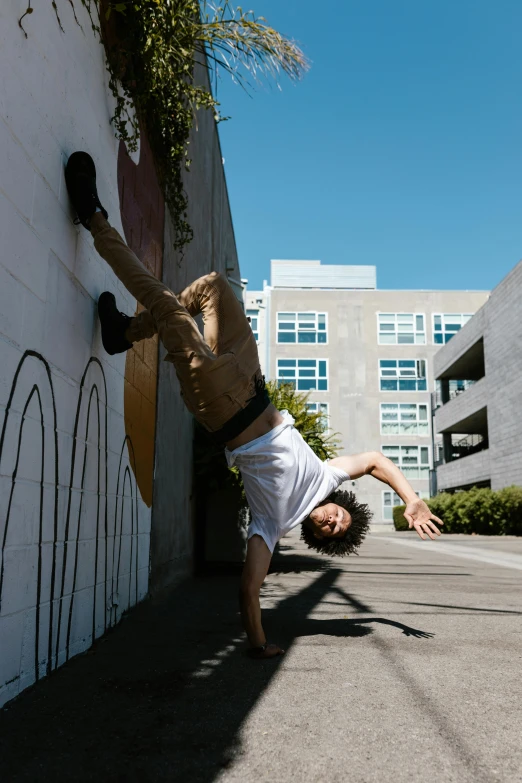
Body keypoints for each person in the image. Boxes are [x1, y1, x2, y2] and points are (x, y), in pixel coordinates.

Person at [65, 152, 444, 659]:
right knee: (213, 288)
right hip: (251, 377)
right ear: (341, 505)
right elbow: (375, 459)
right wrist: (410, 498)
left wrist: (260, 645)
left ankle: (93, 218)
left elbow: (248, 592)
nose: (331, 521)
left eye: (330, 531)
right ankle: (123, 333)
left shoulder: (271, 525)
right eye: (339, 518)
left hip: (219, 403)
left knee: (168, 309)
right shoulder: (329, 477)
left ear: (318, 536)